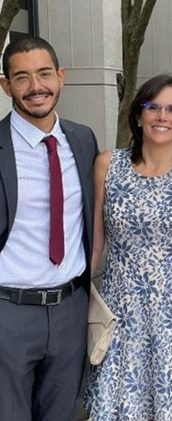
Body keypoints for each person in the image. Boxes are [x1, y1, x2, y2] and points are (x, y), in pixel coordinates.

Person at [84, 74, 172, 420]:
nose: (163, 116)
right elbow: (95, 243)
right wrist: (77, 305)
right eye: (154, 107)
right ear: (139, 114)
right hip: (120, 317)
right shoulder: (106, 165)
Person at [0, 36, 98, 421]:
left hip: (70, 310)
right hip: (8, 311)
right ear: (6, 85)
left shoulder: (82, 139)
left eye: (43, 74)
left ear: (61, 76)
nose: (35, 87)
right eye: (21, 78)